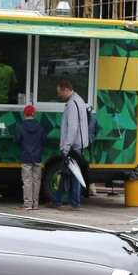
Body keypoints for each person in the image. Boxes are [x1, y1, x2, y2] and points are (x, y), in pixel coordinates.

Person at [46, 78, 89, 211]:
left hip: (73, 145)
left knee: (72, 174)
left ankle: (73, 202)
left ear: (66, 89)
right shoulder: (78, 100)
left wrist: (66, 146)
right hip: (77, 144)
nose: (59, 95)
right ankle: (58, 200)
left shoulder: (72, 104)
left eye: (60, 92)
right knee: (66, 173)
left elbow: (72, 128)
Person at [13, 105, 46, 210]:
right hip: (37, 157)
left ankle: (27, 204)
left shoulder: (21, 127)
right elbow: (44, 140)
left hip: (26, 157)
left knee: (27, 181)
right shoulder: (40, 127)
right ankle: (35, 204)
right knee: (36, 181)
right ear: (35, 114)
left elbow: (16, 140)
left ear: (24, 114)